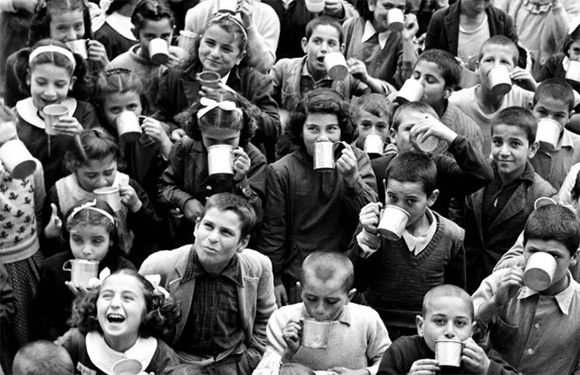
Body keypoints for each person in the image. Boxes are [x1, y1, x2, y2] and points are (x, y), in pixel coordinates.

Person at [257, 88, 378, 307]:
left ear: (342, 132)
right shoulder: (282, 170)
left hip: (346, 268)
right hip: (300, 272)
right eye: (313, 129)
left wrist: (353, 180)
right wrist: (273, 279)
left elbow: (371, 217)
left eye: (331, 129)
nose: (323, 137)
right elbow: (274, 229)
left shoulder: (357, 160)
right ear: (300, 132)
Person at [139, 193, 277, 374]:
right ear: (196, 227)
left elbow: (266, 320)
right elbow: (138, 322)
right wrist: (166, 362)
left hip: (234, 362)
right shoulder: (159, 265)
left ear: (242, 243)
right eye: (208, 226)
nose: (212, 238)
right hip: (177, 364)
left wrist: (250, 360)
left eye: (226, 232)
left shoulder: (258, 267)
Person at [348, 152, 466, 340]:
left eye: (411, 201)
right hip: (375, 328)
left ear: (431, 198)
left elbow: (456, 295)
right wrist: (368, 240)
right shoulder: (373, 225)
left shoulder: (451, 236)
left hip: (425, 334)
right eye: (393, 197)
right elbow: (355, 283)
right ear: (385, 187)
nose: (401, 207)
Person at [156, 12, 280, 162]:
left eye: (226, 49)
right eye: (210, 43)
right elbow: (161, 117)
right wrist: (172, 131)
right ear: (200, 42)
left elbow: (274, 129)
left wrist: (237, 101)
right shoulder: (174, 77)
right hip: (188, 162)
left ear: (240, 57)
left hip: (238, 163)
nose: (215, 53)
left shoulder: (256, 82)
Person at [472, 204, 580, 375]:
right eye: (533, 252)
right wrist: (494, 303)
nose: (543, 260)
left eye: (555, 256)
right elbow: (459, 334)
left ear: (574, 257)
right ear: (522, 248)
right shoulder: (500, 282)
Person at [463, 106, 557, 293]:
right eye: (498, 142)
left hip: (506, 284)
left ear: (532, 149)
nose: (504, 152)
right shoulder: (476, 174)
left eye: (514, 144)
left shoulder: (542, 194)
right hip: (466, 275)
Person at [158, 89, 266, 247]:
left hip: (230, 243)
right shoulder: (185, 147)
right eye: (211, 140)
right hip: (190, 238)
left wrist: (242, 181)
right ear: (199, 131)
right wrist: (185, 201)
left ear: (241, 132)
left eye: (230, 140)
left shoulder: (253, 158)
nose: (220, 145)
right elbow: (164, 187)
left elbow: (257, 215)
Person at [253, 251, 390, 374]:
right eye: (311, 299)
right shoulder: (283, 319)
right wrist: (289, 352)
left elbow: (388, 362)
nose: (320, 309)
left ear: (349, 296)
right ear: (300, 291)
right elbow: (266, 371)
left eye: (331, 301)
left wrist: (363, 373)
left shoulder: (366, 319)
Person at [42, 127, 161, 266]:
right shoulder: (60, 193)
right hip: (78, 267)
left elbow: (153, 235)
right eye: (91, 175)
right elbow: (49, 249)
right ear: (74, 166)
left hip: (124, 264)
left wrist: (136, 207)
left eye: (109, 172)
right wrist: (51, 234)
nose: (102, 181)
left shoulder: (127, 186)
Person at [32, 199, 135, 341]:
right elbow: (41, 319)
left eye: (97, 241)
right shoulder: (53, 267)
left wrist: (92, 303)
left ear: (111, 239)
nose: (86, 251)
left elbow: (128, 324)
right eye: (78, 240)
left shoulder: (123, 272)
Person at [371, 102, 493, 218]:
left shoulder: (440, 167)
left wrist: (451, 137)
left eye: (426, 130)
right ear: (393, 135)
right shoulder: (377, 168)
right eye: (409, 129)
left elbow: (483, 176)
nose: (417, 135)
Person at [12, 39, 98, 190]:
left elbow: (101, 156)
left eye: (59, 84)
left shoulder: (84, 112)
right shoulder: (15, 117)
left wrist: (82, 135)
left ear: (71, 82)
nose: (50, 93)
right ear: (28, 78)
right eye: (41, 82)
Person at [377, 284, 518, 375]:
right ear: (421, 326)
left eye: (460, 323)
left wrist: (488, 369)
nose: (450, 331)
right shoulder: (402, 351)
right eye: (440, 321)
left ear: (471, 330)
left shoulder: (481, 357)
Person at [63, 269, 181, 374]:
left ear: (148, 311)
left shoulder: (163, 358)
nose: (115, 304)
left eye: (127, 298)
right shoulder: (75, 343)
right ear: (95, 304)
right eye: (107, 296)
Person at [271, 15, 388, 115]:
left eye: (331, 44)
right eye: (317, 41)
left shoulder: (348, 77)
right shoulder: (283, 68)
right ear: (305, 45)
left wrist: (366, 78)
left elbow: (380, 98)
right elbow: (265, 101)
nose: (324, 49)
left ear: (341, 49)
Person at [0, 105, 45, 357]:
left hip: (30, 258)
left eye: (12, 140)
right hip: (1, 270)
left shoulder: (33, 169)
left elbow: (37, 210)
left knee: (33, 326)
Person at [4, 0, 109, 107]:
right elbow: (10, 115)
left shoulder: (94, 58)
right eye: (62, 28)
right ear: (45, 28)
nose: (72, 36)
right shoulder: (17, 63)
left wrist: (106, 67)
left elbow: (108, 103)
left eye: (78, 26)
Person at [93, 68, 171, 208]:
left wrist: (165, 143)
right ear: (102, 110)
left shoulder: (156, 133)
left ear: (142, 104)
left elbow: (174, 177)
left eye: (132, 107)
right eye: (115, 110)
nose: (125, 114)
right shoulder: (96, 137)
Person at [450, 36, 537, 157]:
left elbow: (563, 104)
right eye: (489, 60)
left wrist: (534, 87)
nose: (496, 66)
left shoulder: (522, 97)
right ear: (477, 68)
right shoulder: (457, 102)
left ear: (514, 70)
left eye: (504, 62)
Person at [108, 0, 187, 115]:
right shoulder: (119, 66)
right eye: (150, 36)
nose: (158, 41)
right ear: (135, 34)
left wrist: (180, 74)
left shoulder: (182, 58)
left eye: (165, 36)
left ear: (173, 32)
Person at [409, 49, 484, 155]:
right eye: (416, 76)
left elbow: (475, 170)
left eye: (430, 80)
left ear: (448, 91)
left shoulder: (467, 131)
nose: (419, 83)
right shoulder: (395, 107)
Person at [181, 0, 280, 73]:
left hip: (248, 88)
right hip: (203, 79)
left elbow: (263, 66)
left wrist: (250, 27)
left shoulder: (267, 15)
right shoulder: (198, 12)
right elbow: (186, 61)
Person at [342, 0, 419, 89]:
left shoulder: (404, 37)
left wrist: (407, 39)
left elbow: (409, 82)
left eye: (400, 8)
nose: (393, 12)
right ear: (371, 4)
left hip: (384, 99)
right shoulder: (352, 25)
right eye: (387, 6)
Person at [494, 0, 580, 77]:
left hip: (546, 72)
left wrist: (557, 5)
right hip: (511, 67)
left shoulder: (571, 2)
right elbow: (496, 31)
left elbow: (565, 43)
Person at [425, 0, 521, 67]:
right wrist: (450, 65)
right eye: (475, 0)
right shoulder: (439, 19)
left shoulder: (503, 20)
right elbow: (428, 58)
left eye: (486, 0)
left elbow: (519, 58)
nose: (480, 6)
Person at [529, 79, 580, 191]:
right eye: (542, 112)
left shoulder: (578, 147)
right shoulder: (522, 141)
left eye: (559, 116)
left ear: (569, 117)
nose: (549, 120)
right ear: (531, 108)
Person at [351, 93, 394, 158]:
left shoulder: (392, 155)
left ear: (389, 132)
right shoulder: (346, 154)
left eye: (380, 126)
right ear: (355, 127)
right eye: (366, 125)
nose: (373, 133)